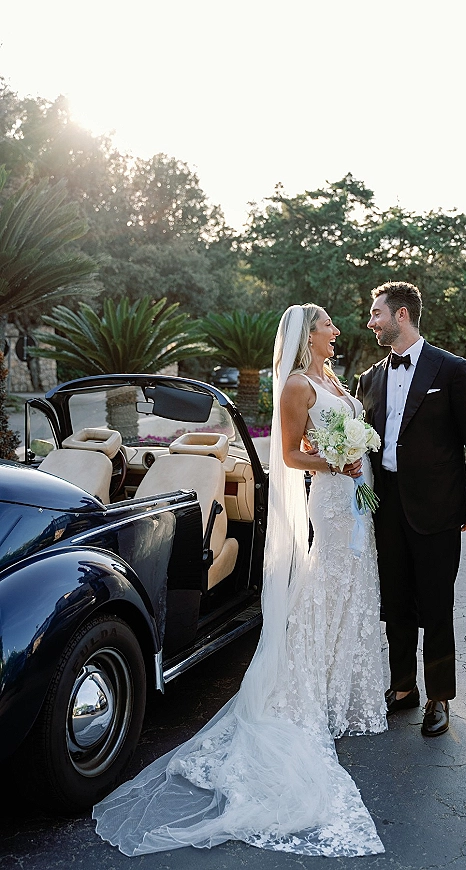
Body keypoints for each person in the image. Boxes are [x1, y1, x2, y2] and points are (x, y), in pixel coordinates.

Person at [93, 303, 387, 857]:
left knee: (354, 587)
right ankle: (307, 689)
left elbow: (349, 432)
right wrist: (338, 464)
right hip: (330, 497)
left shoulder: (333, 379)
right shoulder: (298, 384)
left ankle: (343, 688)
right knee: (324, 588)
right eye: (329, 324)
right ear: (309, 333)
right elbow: (292, 455)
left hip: (356, 500)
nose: (337, 331)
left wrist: (357, 456)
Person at [356, 282, 466, 737]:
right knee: (396, 602)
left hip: (438, 507)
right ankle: (402, 688)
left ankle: (439, 696)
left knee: (437, 604)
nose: (370, 321)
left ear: (401, 315)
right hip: (388, 506)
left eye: (376, 313)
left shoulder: (453, 370)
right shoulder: (369, 379)